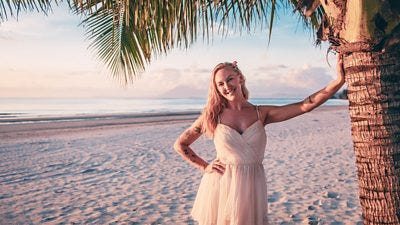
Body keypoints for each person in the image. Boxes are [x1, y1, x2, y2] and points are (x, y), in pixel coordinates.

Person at [173, 55, 346, 225]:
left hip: (252, 184)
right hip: (222, 184)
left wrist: (338, 81)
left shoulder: (261, 113)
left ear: (240, 78)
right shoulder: (212, 116)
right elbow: (181, 144)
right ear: (216, 88)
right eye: (220, 84)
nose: (226, 86)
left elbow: (304, 105)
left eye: (230, 79)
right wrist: (205, 167)